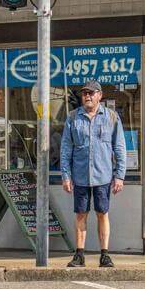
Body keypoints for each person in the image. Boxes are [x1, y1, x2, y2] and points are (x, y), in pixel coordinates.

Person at [59, 79, 126, 268]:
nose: (87, 96)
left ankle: (104, 255)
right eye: (84, 93)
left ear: (100, 96)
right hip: (80, 177)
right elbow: (66, 149)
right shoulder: (72, 118)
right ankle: (79, 255)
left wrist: (119, 175)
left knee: (102, 213)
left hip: (103, 176)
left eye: (91, 93)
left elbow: (119, 147)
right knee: (81, 214)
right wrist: (66, 175)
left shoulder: (111, 117)